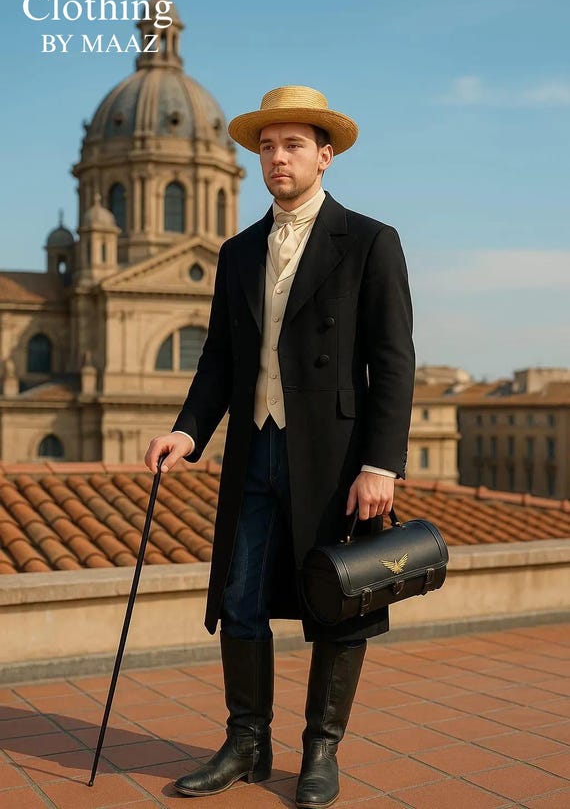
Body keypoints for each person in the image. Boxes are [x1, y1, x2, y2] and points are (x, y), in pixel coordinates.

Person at [144, 85, 415, 807]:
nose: (276, 157)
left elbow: (393, 361)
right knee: (239, 597)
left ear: (325, 156)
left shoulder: (369, 240)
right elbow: (221, 363)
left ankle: (320, 748)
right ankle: (247, 742)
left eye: (293, 144)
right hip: (254, 452)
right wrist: (187, 430)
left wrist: (380, 462)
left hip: (333, 457)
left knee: (341, 599)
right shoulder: (236, 254)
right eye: (266, 146)